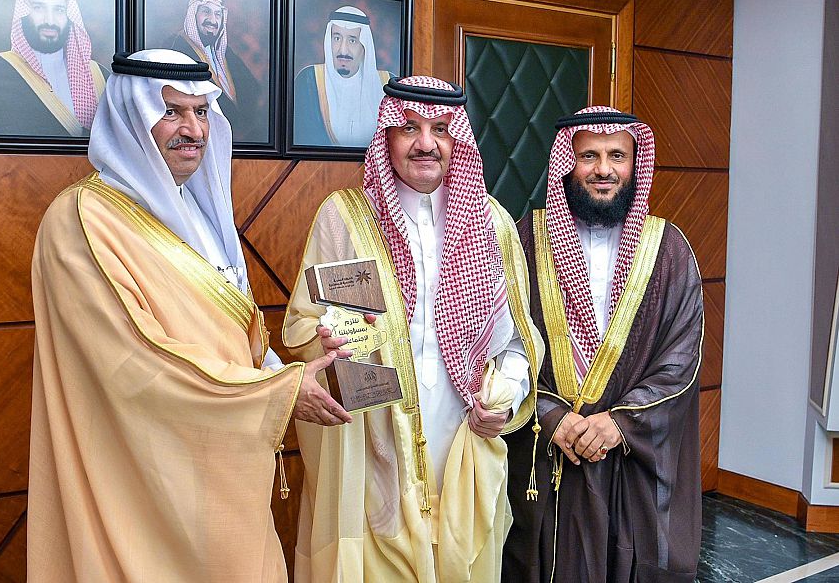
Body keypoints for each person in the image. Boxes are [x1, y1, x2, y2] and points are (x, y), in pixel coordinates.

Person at [28, 49, 351, 582]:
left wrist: (285, 374)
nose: (194, 130)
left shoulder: (197, 209)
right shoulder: (82, 218)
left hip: (222, 457)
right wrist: (275, 393)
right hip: (141, 470)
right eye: (172, 112)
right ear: (132, 118)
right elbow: (130, 360)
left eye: (201, 112)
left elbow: (235, 330)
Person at [283, 75, 544, 582]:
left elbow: (517, 341)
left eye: (440, 129)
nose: (426, 143)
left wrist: (507, 398)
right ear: (387, 137)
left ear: (457, 138)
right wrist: (324, 341)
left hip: (463, 449)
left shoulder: (492, 223)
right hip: (372, 452)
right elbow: (299, 328)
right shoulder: (344, 218)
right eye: (409, 128)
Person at [501, 106, 704, 582]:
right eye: (589, 155)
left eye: (617, 155)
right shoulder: (526, 240)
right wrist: (551, 415)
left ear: (635, 163)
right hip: (551, 449)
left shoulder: (668, 249)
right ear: (566, 163)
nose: (603, 169)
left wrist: (619, 423)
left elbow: (681, 358)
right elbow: (499, 339)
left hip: (629, 458)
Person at [0, 0, 107, 137]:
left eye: (59, 10)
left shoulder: (100, 77)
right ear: (23, 13)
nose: (50, 21)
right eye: (38, 8)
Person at [168, 0, 266, 143]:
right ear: (193, 14)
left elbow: (253, 89)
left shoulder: (225, 51)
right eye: (206, 11)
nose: (213, 20)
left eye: (218, 14)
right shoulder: (176, 47)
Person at [293, 6, 392, 147]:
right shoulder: (309, 80)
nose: (343, 50)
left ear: (364, 46)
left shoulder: (387, 84)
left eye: (352, 40)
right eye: (337, 38)